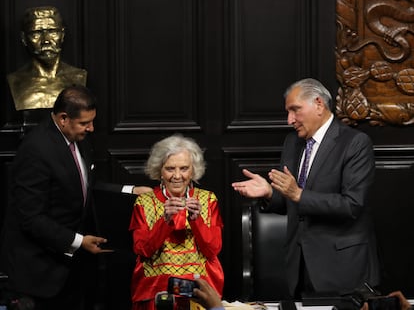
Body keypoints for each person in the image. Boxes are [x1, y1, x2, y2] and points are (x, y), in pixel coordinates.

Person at [0, 85, 150, 310]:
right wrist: (79, 242)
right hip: (38, 275)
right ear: (63, 118)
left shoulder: (77, 138)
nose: (91, 129)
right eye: (84, 123)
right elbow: (31, 218)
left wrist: (129, 191)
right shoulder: (35, 150)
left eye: (92, 122)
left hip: (69, 270)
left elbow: (84, 187)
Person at [232, 78, 380, 298]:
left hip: (342, 271)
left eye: (295, 110)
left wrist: (298, 193)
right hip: (300, 267)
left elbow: (352, 205)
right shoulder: (292, 143)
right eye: (288, 112)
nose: (289, 119)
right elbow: (290, 203)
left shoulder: (355, 143)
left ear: (319, 104)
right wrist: (271, 193)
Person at [129, 134, 224, 310]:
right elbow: (142, 250)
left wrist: (197, 221)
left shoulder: (207, 199)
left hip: (199, 289)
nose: (177, 176)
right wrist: (165, 221)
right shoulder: (144, 201)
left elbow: (213, 250)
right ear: (159, 171)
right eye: (170, 169)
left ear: (193, 170)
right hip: (155, 289)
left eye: (184, 168)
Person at [7, 6, 87, 111]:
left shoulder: (79, 77)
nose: (46, 40)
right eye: (36, 33)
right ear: (24, 38)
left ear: (62, 34)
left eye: (52, 32)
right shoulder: (14, 82)